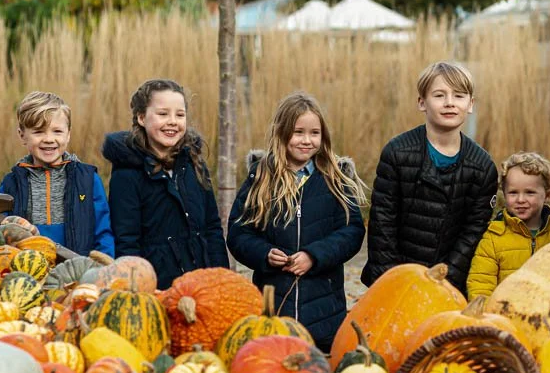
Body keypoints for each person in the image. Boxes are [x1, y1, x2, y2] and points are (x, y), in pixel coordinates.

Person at [227, 92, 366, 352]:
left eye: (314, 133)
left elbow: (352, 231)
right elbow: (238, 234)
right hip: (274, 311)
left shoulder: (335, 179)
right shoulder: (261, 178)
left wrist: (315, 256)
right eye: (298, 132)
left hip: (325, 316)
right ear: (281, 133)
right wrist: (265, 254)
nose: (306, 140)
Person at [361, 61, 498, 295]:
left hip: (447, 284)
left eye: (459, 95)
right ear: (422, 102)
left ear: (471, 104)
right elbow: (382, 224)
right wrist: (393, 281)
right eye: (439, 95)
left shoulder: (483, 167)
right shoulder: (397, 153)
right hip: (396, 279)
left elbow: (473, 233)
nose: (450, 103)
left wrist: (444, 280)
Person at [101, 79, 228, 289]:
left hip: (202, 285)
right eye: (162, 114)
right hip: (157, 288)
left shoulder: (194, 164)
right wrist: (138, 290)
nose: (172, 121)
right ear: (141, 117)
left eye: (180, 115)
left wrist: (222, 280)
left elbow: (212, 228)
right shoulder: (127, 176)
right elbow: (127, 242)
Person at [0, 91, 114, 256]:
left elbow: (102, 231)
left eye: (57, 131)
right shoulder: (12, 183)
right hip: (29, 270)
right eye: (39, 132)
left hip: (79, 270)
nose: (48, 139)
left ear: (68, 134)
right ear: (22, 135)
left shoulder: (87, 180)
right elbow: (2, 230)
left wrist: (105, 267)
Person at [466, 152, 550, 300]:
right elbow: (480, 284)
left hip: (549, 314)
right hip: (505, 316)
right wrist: (488, 316)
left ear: (547, 195)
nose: (520, 199)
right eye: (513, 193)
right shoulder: (494, 238)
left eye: (529, 193)